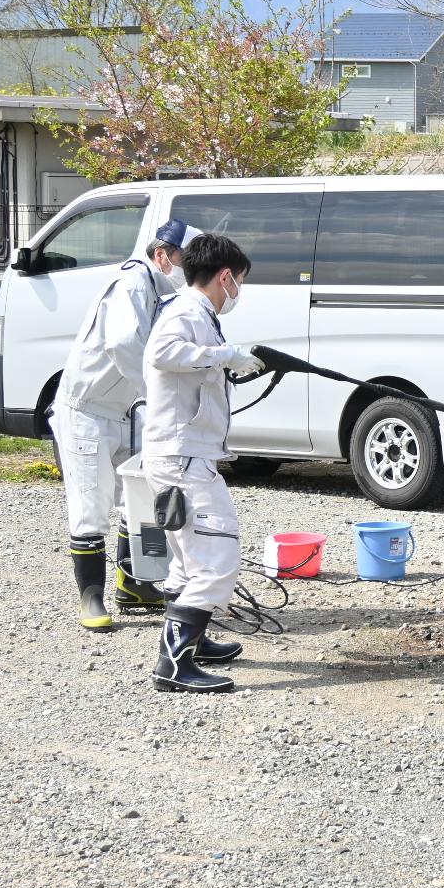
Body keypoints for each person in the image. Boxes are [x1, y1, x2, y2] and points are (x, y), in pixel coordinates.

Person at [49, 217, 200, 631]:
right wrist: (156, 391)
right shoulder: (135, 281)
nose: (190, 270)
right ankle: (91, 598)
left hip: (126, 409)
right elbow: (122, 344)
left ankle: (135, 584)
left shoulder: (165, 294)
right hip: (88, 411)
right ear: (161, 256)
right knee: (90, 506)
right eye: (187, 260)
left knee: (136, 500)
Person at [142, 232, 265, 694]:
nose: (238, 292)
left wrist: (228, 360)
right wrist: (226, 355)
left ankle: (195, 642)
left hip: (184, 454)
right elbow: (162, 354)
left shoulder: (198, 315)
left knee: (187, 558)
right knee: (217, 556)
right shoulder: (185, 311)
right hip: (182, 457)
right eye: (240, 282)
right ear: (226, 276)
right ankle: (173, 664)